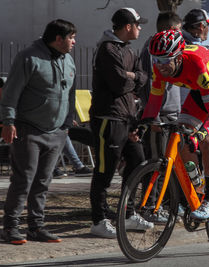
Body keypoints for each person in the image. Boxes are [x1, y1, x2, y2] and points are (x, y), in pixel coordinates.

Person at [142, 29, 209, 220]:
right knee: (182, 138)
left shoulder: (197, 65)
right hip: (201, 88)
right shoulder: (159, 67)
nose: (160, 66)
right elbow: (155, 100)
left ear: (179, 57)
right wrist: (145, 123)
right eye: (156, 60)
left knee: (207, 141)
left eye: (165, 60)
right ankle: (198, 185)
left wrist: (201, 134)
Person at [0, 19, 77, 244]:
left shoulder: (69, 59)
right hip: (28, 129)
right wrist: (8, 121)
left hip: (57, 131)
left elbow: (71, 94)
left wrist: (67, 123)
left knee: (43, 181)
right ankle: (10, 227)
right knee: (23, 179)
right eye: (71, 37)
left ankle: (36, 227)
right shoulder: (28, 57)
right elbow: (11, 92)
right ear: (58, 39)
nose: (74, 42)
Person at [90, 7, 152, 239]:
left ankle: (127, 213)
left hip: (127, 118)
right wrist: (132, 77)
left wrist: (132, 76)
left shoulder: (128, 50)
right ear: (128, 27)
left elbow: (143, 77)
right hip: (109, 118)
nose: (140, 28)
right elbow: (118, 84)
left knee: (138, 160)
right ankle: (98, 220)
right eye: (138, 24)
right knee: (104, 172)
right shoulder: (107, 49)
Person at [138, 12, 183, 223]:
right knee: (157, 163)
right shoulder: (152, 49)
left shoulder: (173, 48)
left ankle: (165, 205)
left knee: (169, 164)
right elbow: (148, 84)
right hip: (160, 117)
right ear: (169, 30)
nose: (181, 34)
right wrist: (153, 117)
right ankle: (149, 207)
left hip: (173, 115)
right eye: (179, 29)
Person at [180, 9, 209, 104]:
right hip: (184, 107)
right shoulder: (190, 49)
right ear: (201, 26)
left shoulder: (177, 42)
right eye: (208, 26)